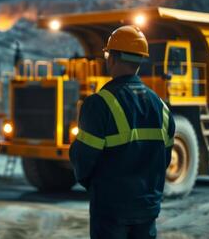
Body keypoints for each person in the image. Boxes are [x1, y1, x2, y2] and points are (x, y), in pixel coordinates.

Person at [69, 25, 176, 239]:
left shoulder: (99, 104)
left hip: (111, 209)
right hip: (147, 208)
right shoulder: (161, 106)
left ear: (112, 58)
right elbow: (163, 159)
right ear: (139, 60)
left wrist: (96, 186)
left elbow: (82, 159)